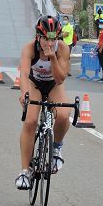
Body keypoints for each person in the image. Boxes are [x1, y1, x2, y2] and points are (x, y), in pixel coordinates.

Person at [16, 16, 71, 190]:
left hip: (54, 84)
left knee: (63, 115)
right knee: (31, 121)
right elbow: (24, 74)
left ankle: (56, 149)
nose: (50, 42)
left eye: (54, 38)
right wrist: (24, 94)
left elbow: (60, 79)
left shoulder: (62, 49)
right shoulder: (29, 48)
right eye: (46, 38)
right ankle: (25, 171)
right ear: (38, 36)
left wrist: (52, 58)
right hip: (34, 84)